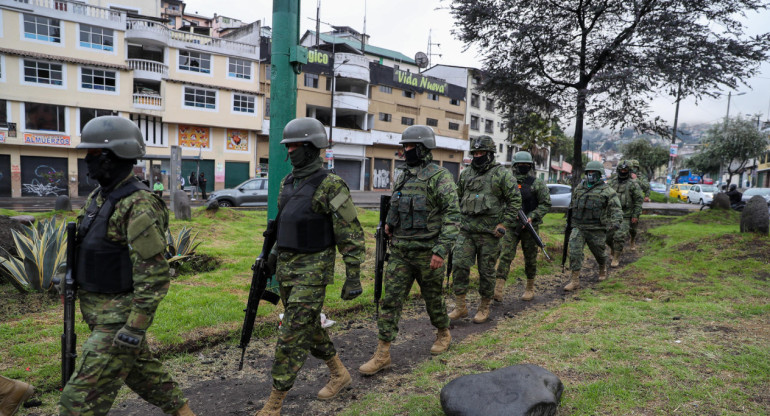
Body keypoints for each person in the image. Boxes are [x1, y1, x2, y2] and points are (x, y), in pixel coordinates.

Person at [60, 116, 195, 416]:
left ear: (111, 158)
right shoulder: (100, 197)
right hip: (98, 314)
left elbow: (155, 275)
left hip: (117, 320)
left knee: (76, 403)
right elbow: (87, 244)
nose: (86, 161)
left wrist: (134, 328)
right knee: (145, 376)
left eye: (92, 155)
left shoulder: (138, 204)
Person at [256, 118, 365, 416]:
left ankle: (275, 401)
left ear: (312, 147)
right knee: (307, 326)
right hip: (288, 270)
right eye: (287, 145)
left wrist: (353, 276)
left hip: (314, 271)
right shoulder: (287, 182)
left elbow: (351, 233)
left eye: (295, 145)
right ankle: (339, 373)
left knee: (291, 333)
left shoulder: (331, 184)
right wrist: (271, 259)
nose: (289, 150)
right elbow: (282, 225)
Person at [359, 125, 460, 376]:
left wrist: (441, 250)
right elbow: (397, 204)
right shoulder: (402, 175)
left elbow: (453, 217)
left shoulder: (440, 177)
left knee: (433, 300)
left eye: (409, 146)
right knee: (390, 301)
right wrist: (388, 225)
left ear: (423, 148)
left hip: (429, 253)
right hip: (401, 252)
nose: (405, 151)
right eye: (404, 146)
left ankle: (443, 333)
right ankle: (383, 352)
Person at [449, 136, 521, 323]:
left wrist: (503, 223)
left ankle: (484, 306)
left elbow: (514, 201)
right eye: (475, 153)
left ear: (490, 154)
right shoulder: (466, 174)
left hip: (490, 234)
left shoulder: (502, 174)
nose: (478, 156)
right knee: (459, 265)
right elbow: (457, 198)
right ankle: (460, 305)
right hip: (466, 231)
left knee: (486, 271)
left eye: (481, 153)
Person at [495, 151, 551, 301]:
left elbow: (546, 203)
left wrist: (533, 216)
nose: (523, 167)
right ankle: (498, 289)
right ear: (514, 166)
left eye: (526, 165)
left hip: (529, 226)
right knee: (505, 256)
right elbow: (499, 201)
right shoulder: (507, 182)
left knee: (530, 258)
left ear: (531, 166)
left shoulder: (537, 183)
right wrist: (507, 215)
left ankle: (530, 287)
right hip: (511, 227)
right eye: (521, 165)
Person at [564, 160, 622, 291]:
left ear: (599, 174)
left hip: (596, 229)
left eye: (594, 173)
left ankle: (602, 267)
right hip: (579, 226)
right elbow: (573, 205)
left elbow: (616, 209)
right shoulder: (579, 188)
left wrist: (615, 223)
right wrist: (569, 223)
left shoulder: (607, 191)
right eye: (589, 172)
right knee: (574, 251)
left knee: (599, 253)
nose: (591, 175)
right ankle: (574, 280)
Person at [605, 161, 643, 267]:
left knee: (619, 236)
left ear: (629, 171)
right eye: (621, 170)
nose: (623, 171)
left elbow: (638, 200)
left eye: (625, 170)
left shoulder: (633, 184)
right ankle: (613, 248)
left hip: (625, 215)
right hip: (611, 214)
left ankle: (616, 257)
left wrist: (635, 215)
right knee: (607, 237)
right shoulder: (612, 182)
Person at [627, 159, 649, 249]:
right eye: (632, 167)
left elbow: (646, 187)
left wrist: (636, 180)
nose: (633, 169)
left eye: (635, 167)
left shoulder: (640, 177)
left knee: (633, 226)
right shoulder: (624, 175)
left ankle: (632, 239)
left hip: (635, 203)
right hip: (624, 203)